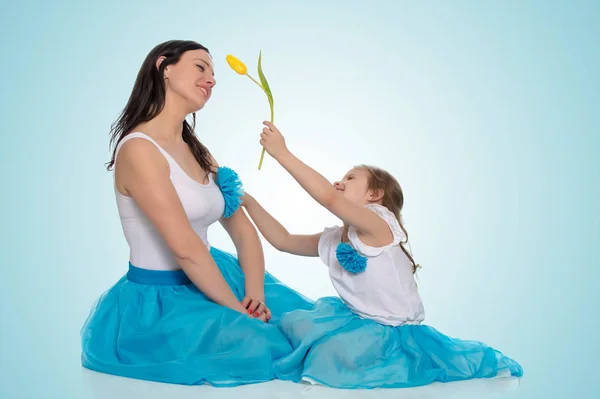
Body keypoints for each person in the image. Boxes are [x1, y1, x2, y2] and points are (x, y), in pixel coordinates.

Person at [80, 40, 313, 387]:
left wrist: (254, 295)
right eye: (201, 67)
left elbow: (243, 231)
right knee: (264, 348)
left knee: (303, 327)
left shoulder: (196, 148)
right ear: (165, 68)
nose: (212, 79)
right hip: (162, 303)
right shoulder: (139, 150)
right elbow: (185, 248)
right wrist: (239, 314)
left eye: (214, 73)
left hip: (216, 275)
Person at [240, 121, 524, 389]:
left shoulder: (378, 225)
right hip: (356, 319)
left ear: (375, 196)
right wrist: (248, 202)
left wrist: (282, 153)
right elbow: (283, 240)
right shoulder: (335, 237)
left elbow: (329, 197)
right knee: (294, 322)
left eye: (350, 178)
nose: (339, 182)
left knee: (331, 353)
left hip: (391, 331)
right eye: (340, 178)